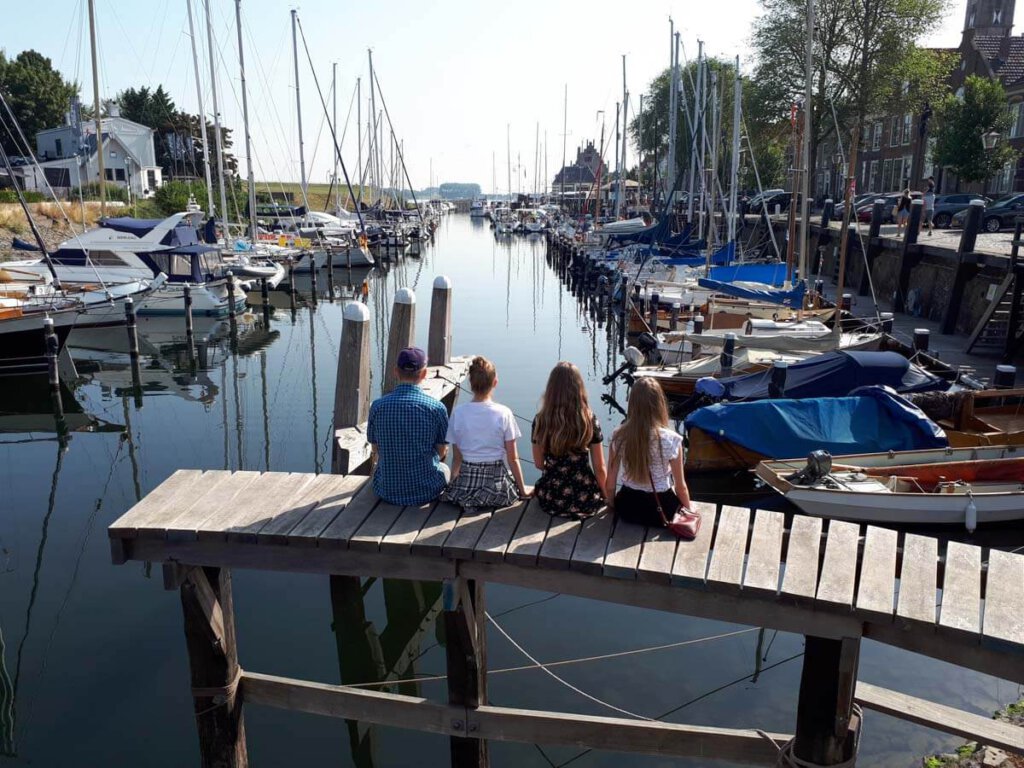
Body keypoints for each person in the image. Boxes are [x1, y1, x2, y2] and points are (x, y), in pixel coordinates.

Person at [441, 356, 528, 509]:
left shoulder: (459, 413)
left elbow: (457, 458)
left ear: (470, 383)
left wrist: (453, 483)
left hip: (467, 486)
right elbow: (513, 459)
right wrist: (523, 491)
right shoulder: (504, 413)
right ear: (495, 383)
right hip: (497, 490)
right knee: (508, 476)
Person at [605, 378, 692, 528]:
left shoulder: (619, 436)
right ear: (660, 404)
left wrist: (612, 505)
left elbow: (611, 483)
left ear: (632, 404)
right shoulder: (671, 440)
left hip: (628, 508)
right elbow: (680, 487)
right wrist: (688, 512)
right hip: (662, 509)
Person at [367, 347, 449, 505]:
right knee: (445, 468)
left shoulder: (377, 406)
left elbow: (375, 448)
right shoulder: (437, 408)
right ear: (424, 374)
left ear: (396, 372)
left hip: (386, 490)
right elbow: (442, 450)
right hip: (427, 491)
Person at [531, 362, 607, 519]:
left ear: (551, 389)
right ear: (579, 388)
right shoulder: (589, 419)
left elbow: (539, 464)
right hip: (584, 496)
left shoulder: (540, 420)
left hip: (552, 496)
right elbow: (599, 468)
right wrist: (607, 496)